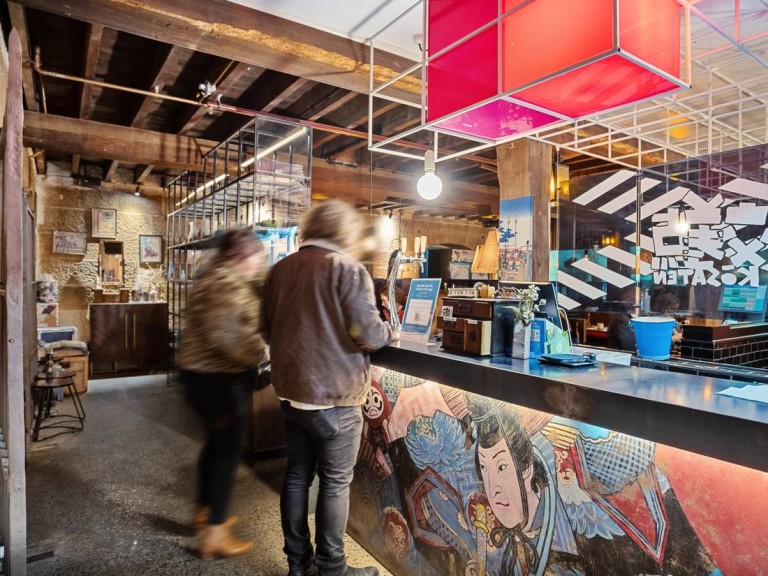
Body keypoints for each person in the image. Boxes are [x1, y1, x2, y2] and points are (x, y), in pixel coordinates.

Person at [262, 200, 394, 576]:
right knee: (335, 483)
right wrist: (389, 329)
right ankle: (332, 569)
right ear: (342, 232)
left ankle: (298, 565)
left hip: (291, 394)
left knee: (297, 475)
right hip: (335, 396)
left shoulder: (279, 270)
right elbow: (368, 334)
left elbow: (266, 330)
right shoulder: (347, 269)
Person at [177, 227, 268, 560]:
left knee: (215, 446)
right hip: (218, 380)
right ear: (243, 255)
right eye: (258, 257)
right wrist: (261, 350)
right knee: (227, 451)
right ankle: (215, 533)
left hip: (204, 376)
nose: (260, 265)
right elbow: (229, 337)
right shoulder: (224, 283)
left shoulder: (218, 277)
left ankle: (204, 512)